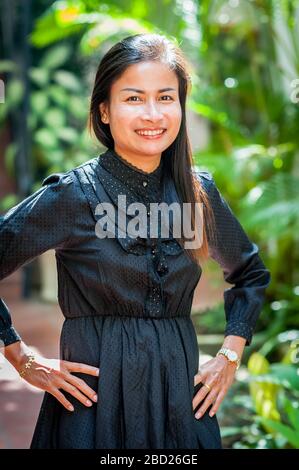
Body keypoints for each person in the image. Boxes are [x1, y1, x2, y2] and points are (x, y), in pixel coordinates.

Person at [0, 33, 271, 449]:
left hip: (181, 406)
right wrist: (23, 358)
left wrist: (229, 356)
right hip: (93, 409)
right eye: (133, 98)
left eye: (166, 98)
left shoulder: (197, 194)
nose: (152, 114)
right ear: (104, 111)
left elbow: (250, 273)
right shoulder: (73, 195)